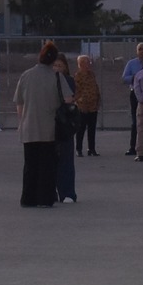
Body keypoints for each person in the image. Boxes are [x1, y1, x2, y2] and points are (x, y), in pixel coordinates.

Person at [14, 41, 64, 207]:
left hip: (29, 127)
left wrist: (22, 120)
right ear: (53, 59)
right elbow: (67, 99)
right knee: (47, 165)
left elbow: (19, 102)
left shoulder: (26, 75)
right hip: (49, 128)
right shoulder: (56, 77)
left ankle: (28, 198)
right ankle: (45, 198)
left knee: (30, 165)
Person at [52, 52, 80, 204]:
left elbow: (69, 99)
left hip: (64, 125)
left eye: (60, 66)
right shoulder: (47, 80)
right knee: (51, 160)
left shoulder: (68, 80)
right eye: (55, 65)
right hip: (50, 124)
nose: (57, 68)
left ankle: (68, 192)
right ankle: (53, 191)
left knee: (66, 159)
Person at [122, 43, 143, 157]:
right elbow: (124, 78)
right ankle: (132, 147)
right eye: (140, 49)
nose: (142, 51)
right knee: (135, 121)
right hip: (135, 94)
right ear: (137, 51)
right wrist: (135, 77)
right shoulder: (131, 63)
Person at [72, 53, 102, 157]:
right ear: (80, 64)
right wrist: (80, 102)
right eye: (86, 62)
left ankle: (91, 149)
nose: (89, 64)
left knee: (92, 128)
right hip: (82, 106)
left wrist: (98, 99)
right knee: (81, 129)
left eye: (89, 62)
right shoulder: (77, 76)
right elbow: (77, 91)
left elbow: (95, 87)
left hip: (93, 106)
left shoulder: (92, 74)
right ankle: (79, 149)